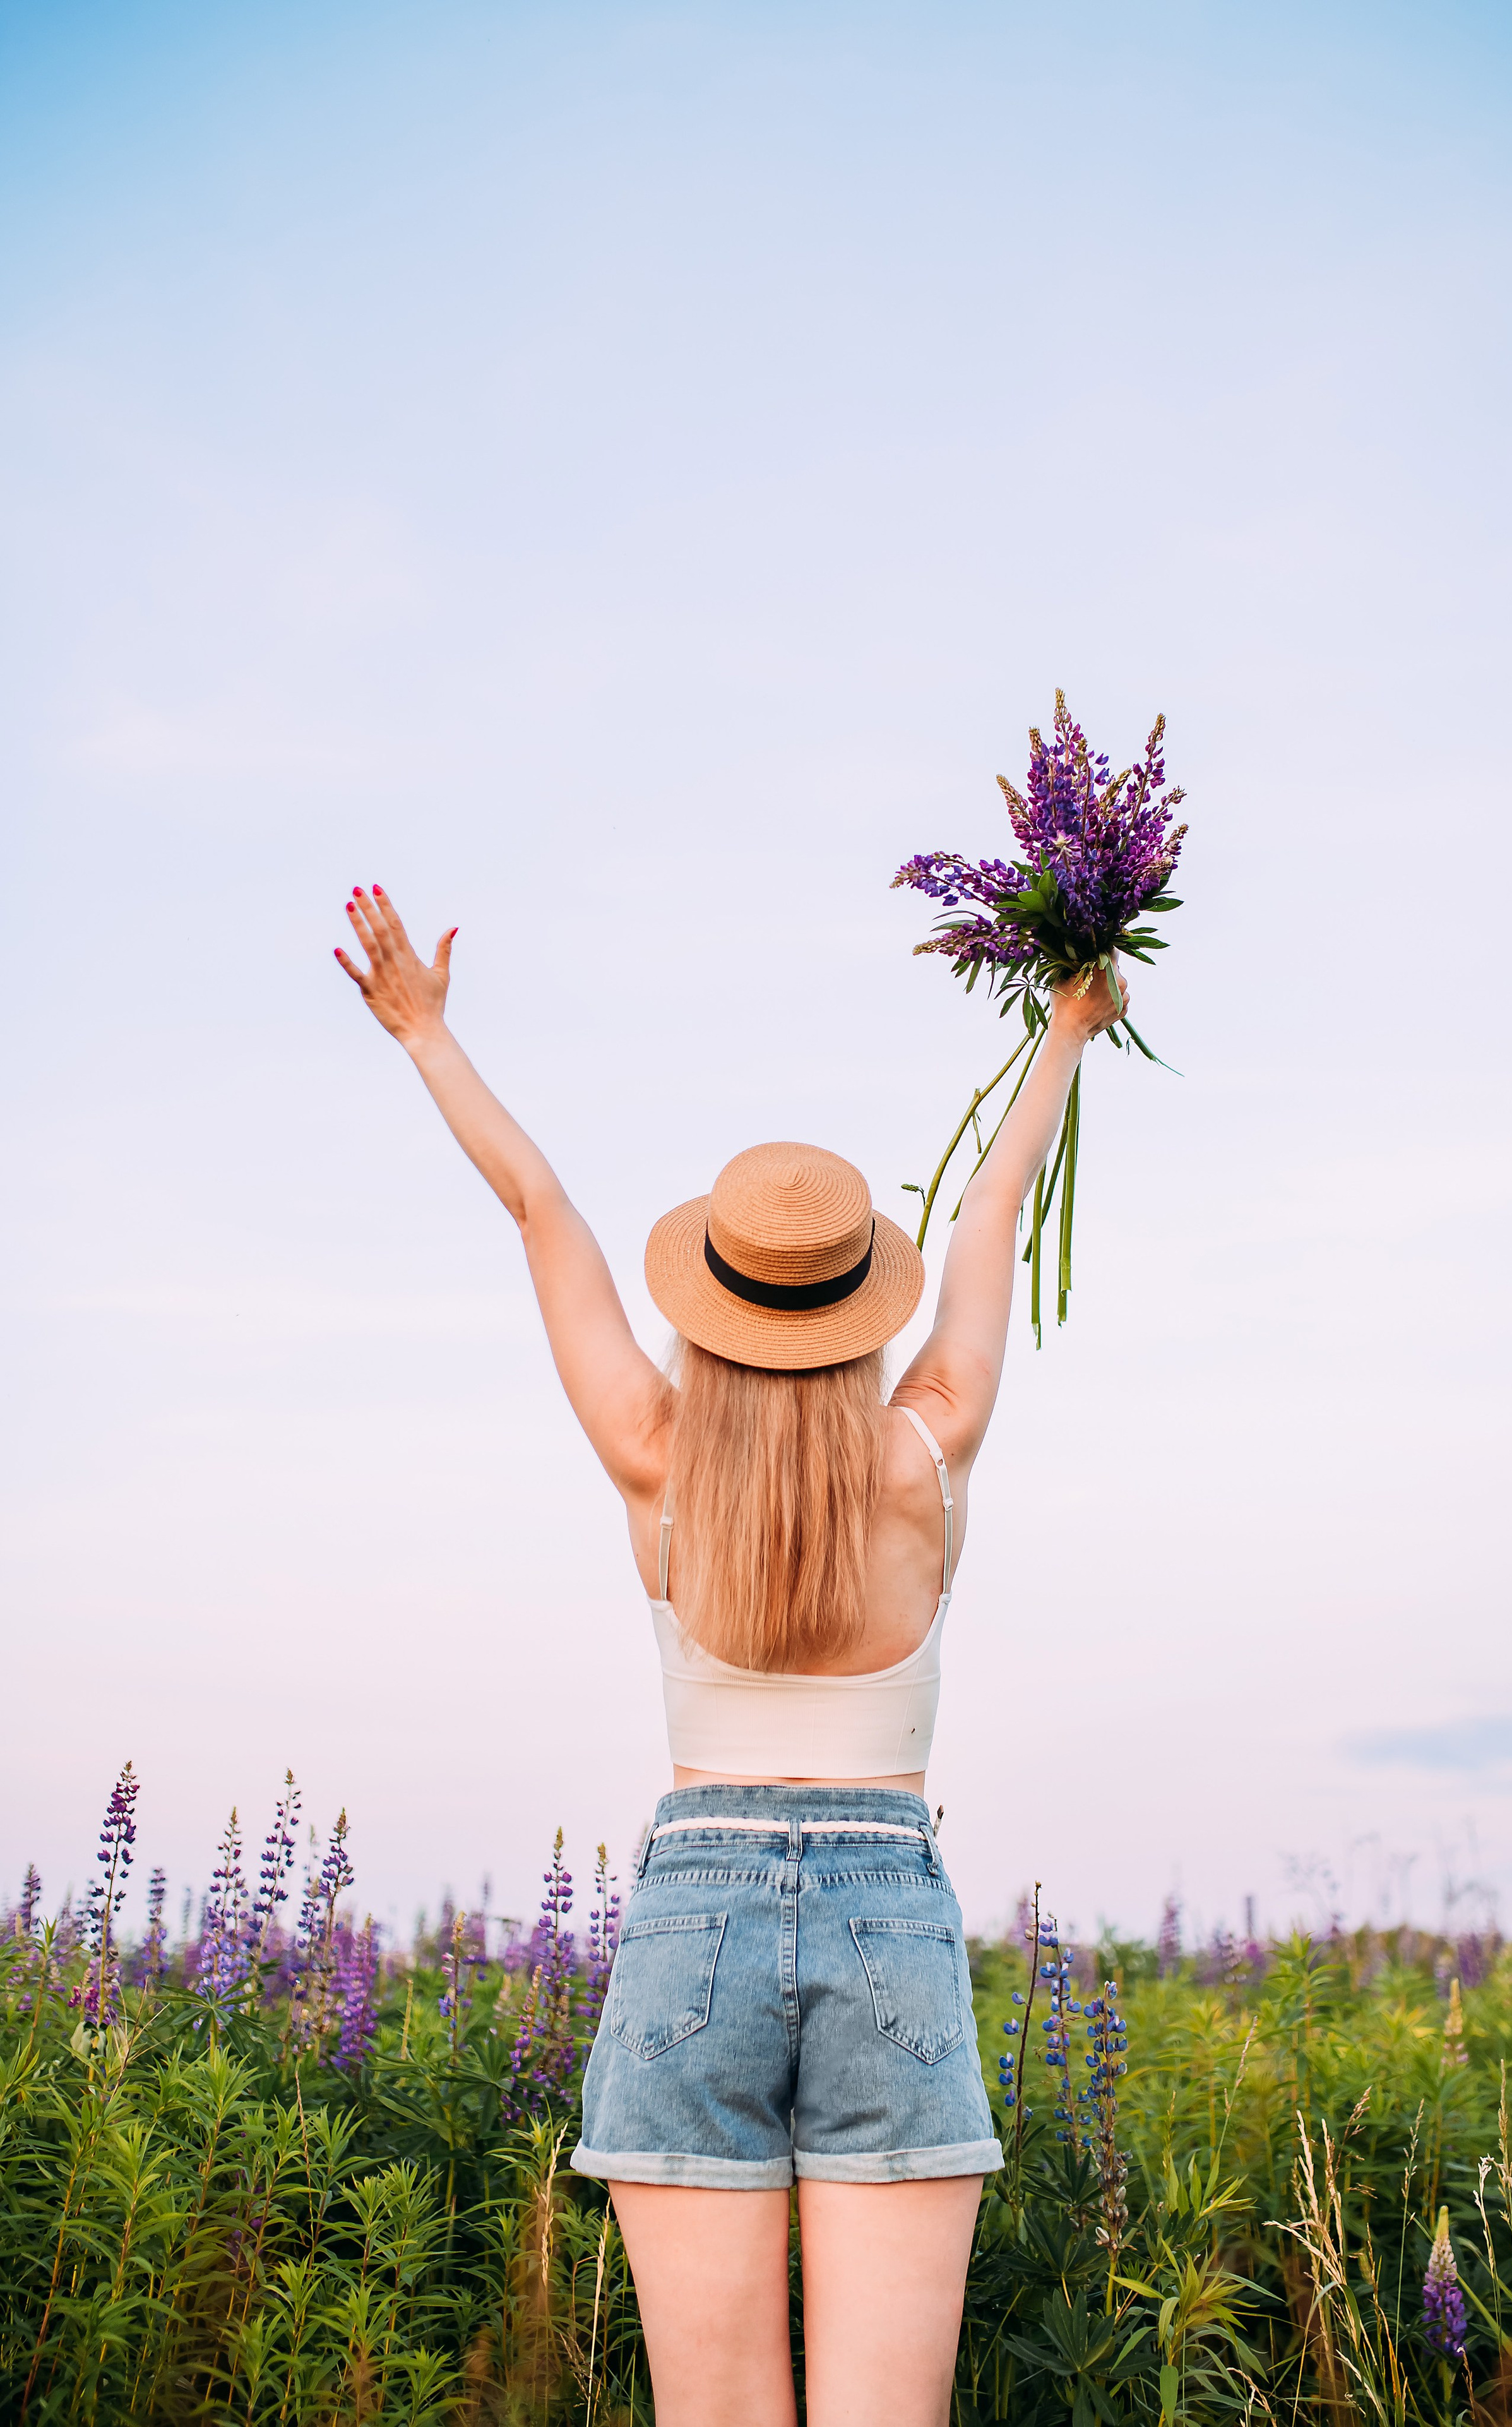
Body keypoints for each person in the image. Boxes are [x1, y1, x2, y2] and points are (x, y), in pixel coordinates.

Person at [335, 883, 1127, 2427]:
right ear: (860, 1308)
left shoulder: (653, 1455)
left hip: (690, 1909)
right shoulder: (926, 1452)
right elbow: (989, 1217)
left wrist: (426, 1033)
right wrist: (1063, 1032)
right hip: (889, 1903)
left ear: (708, 1308)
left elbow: (540, 1210)